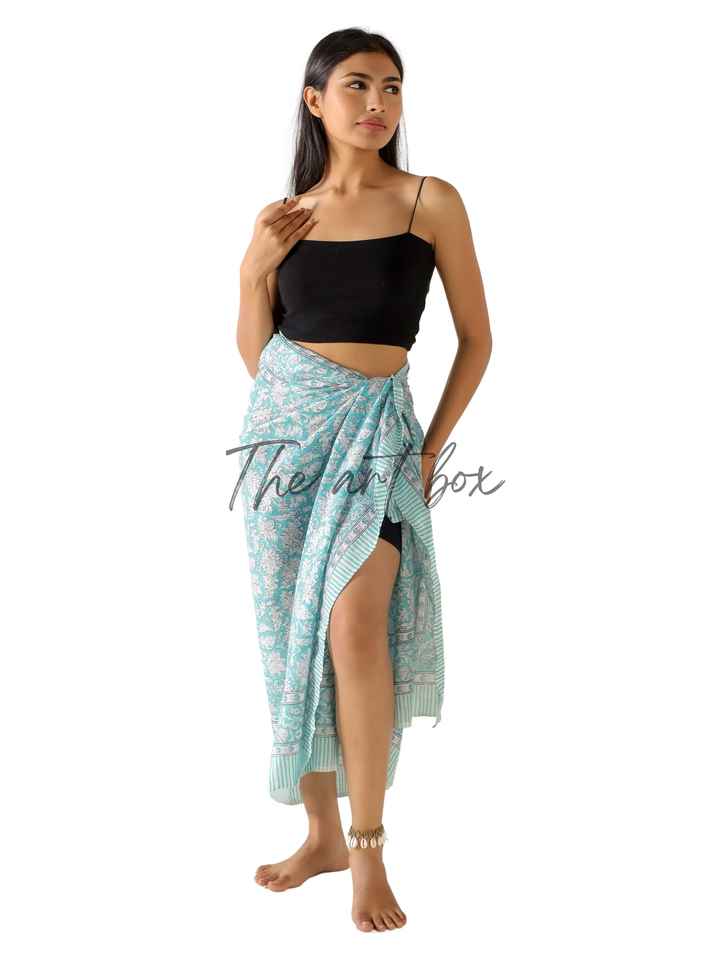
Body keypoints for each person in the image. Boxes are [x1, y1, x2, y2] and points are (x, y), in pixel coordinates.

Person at [235, 28, 492, 933]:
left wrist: (427, 451)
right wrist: (252, 270)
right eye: (356, 85)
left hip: (378, 441)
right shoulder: (286, 216)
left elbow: (478, 339)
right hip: (282, 444)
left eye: (391, 86)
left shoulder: (430, 201)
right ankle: (320, 836)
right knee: (291, 633)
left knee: (354, 627)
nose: (377, 103)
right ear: (315, 101)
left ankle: (369, 846)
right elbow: (258, 358)